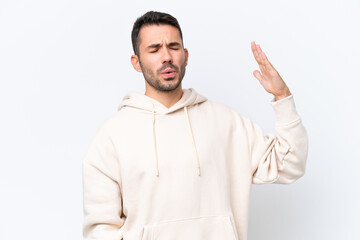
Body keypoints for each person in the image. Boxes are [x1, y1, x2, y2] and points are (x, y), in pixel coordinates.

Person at [82, 10, 308, 240]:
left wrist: (282, 96)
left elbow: (290, 164)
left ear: (186, 55)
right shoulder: (113, 135)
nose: (166, 57)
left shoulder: (225, 122)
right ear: (136, 62)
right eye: (154, 49)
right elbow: (101, 229)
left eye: (173, 47)